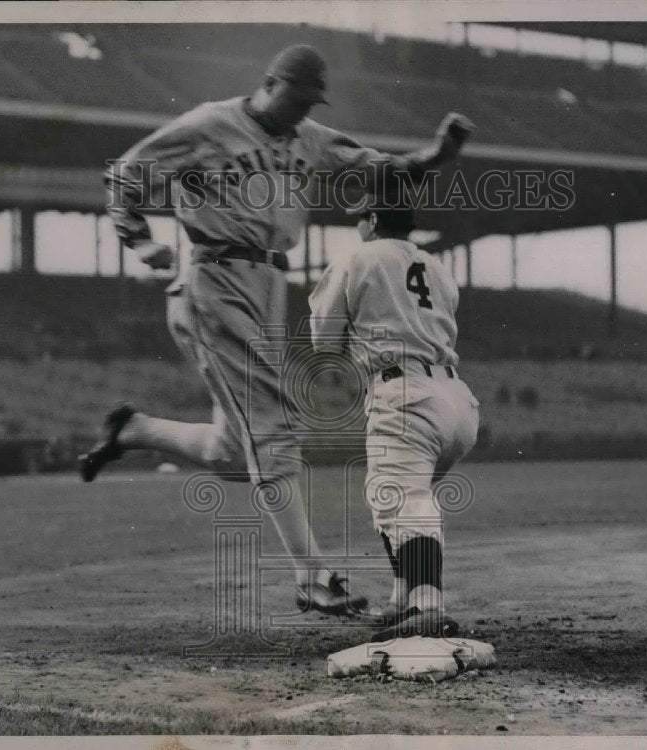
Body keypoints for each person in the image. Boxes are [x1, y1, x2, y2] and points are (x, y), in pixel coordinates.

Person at [79, 43, 474, 617]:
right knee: (273, 432)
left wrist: (437, 155)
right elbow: (124, 175)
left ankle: (134, 430)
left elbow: (377, 168)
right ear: (269, 83)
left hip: (268, 284)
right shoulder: (209, 124)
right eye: (297, 98)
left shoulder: (309, 137)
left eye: (312, 102)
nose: (303, 110)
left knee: (235, 450)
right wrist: (138, 241)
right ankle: (312, 577)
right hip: (215, 274)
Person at [307, 194, 480, 641]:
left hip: (405, 395)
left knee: (404, 500)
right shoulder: (437, 266)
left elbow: (323, 340)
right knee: (386, 494)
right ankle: (403, 598)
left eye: (361, 218)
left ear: (373, 219)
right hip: (456, 399)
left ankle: (427, 604)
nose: (358, 226)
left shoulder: (359, 258)